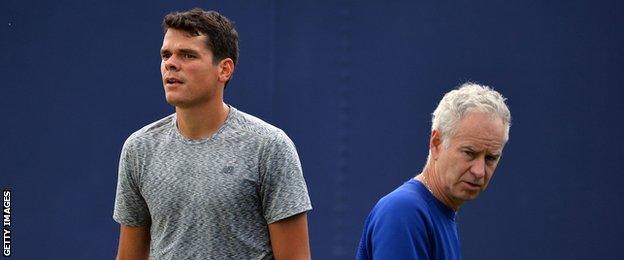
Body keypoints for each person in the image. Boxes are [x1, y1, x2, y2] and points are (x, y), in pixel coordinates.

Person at [113, 8, 312, 260]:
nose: (171, 64)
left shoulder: (269, 147)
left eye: (188, 55)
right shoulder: (139, 149)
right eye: (166, 54)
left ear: (224, 69)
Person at [356, 83, 511, 259]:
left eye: (490, 158)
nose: (479, 171)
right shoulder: (404, 212)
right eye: (469, 153)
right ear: (436, 143)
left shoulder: (439, 211)